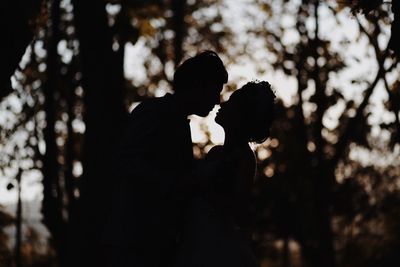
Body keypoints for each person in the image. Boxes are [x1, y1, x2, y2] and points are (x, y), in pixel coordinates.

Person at [104, 51, 228, 267]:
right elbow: (126, 163)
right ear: (198, 84)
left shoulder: (177, 121)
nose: (216, 100)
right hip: (135, 243)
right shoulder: (153, 112)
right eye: (214, 90)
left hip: (154, 244)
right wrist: (182, 182)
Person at [175, 81, 276, 267]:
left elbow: (238, 210)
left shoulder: (244, 158)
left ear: (241, 116)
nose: (222, 104)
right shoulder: (215, 153)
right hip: (195, 236)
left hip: (217, 244)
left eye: (230, 103)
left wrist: (202, 190)